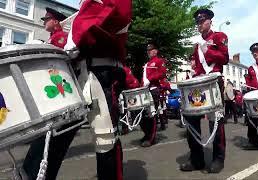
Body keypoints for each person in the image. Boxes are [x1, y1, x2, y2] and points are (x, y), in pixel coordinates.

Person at [22, 0, 133, 179]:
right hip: (77, 72)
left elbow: (115, 10)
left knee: (104, 139)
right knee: (53, 133)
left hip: (99, 72)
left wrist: (75, 36)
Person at [180, 8, 228, 173]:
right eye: (198, 22)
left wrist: (209, 51)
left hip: (214, 81)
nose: (200, 24)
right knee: (191, 118)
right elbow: (199, 67)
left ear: (210, 21)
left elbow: (225, 58)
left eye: (202, 21)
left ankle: (218, 158)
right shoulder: (196, 45)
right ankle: (197, 159)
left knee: (216, 120)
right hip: (199, 85)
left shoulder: (220, 37)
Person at [141, 43, 167, 147]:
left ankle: (151, 138)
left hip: (154, 89)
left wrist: (150, 79)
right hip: (145, 90)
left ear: (156, 51)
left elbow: (162, 73)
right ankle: (147, 134)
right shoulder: (147, 64)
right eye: (148, 50)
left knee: (152, 114)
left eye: (151, 50)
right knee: (144, 115)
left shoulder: (159, 61)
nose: (149, 52)